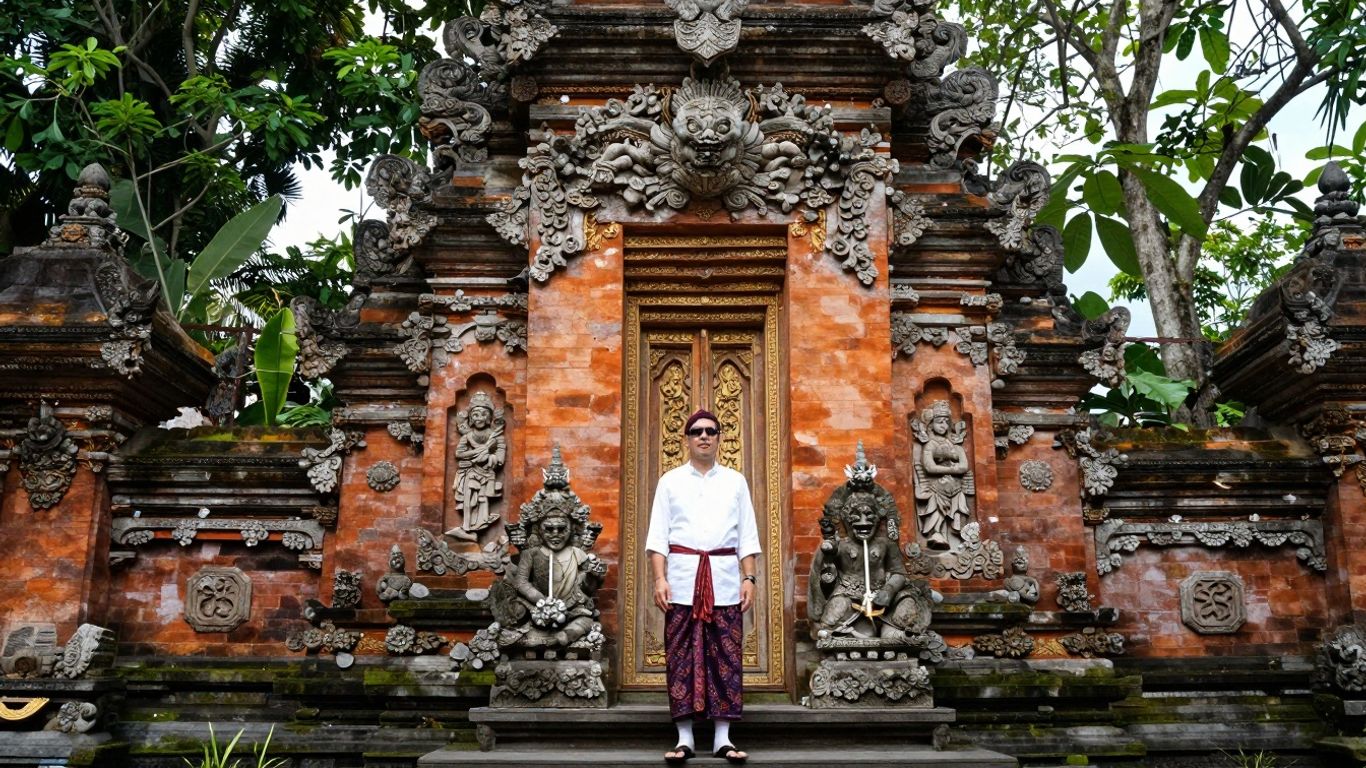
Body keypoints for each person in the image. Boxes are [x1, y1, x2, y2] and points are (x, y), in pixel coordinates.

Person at [645, 409, 761, 766]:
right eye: (697, 431)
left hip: (725, 579)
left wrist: (749, 578)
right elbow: (658, 537)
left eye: (711, 431)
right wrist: (659, 578)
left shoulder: (735, 482)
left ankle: (723, 739)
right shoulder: (670, 481)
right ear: (687, 439)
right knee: (681, 656)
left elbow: (747, 536)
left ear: (720, 438)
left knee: (725, 656)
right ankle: (684, 739)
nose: (704, 436)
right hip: (681, 580)